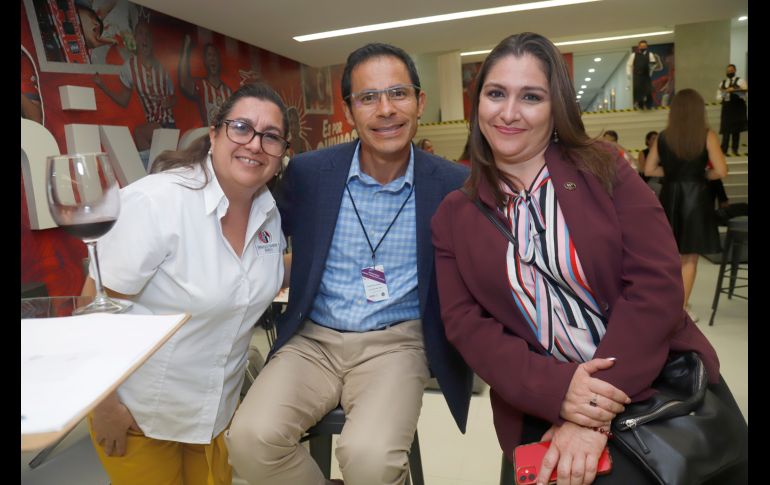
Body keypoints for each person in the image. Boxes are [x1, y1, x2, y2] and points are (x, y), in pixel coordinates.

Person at [432, 32, 747, 485]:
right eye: (495, 93)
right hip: (539, 401)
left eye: (531, 97)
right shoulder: (453, 215)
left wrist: (590, 413)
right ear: (476, 102)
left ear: (555, 106)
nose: (508, 112)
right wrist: (559, 392)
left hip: (652, 379)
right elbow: (466, 325)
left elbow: (656, 286)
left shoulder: (604, 168)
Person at [226, 42, 472, 485]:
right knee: (248, 441)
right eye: (368, 97)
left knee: (370, 459)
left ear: (420, 102)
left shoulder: (454, 185)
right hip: (312, 340)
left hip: (396, 345)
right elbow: (257, 230)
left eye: (398, 93)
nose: (385, 110)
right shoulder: (308, 172)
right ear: (350, 110)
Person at [83, 82, 290, 485]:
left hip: (213, 416)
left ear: (282, 153)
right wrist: (104, 407)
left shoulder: (268, 211)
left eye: (271, 136)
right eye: (241, 127)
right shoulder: (156, 203)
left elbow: (256, 276)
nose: (255, 144)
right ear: (214, 134)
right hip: (140, 417)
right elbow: (93, 308)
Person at [645, 88, 728, 323]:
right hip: (696, 198)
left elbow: (649, 170)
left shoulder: (663, 137)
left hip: (670, 196)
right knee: (689, 257)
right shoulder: (707, 135)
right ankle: (680, 309)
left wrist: (672, 174)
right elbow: (721, 171)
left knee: (669, 255)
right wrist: (700, 175)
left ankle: (669, 303)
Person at [94, 21, 176, 167]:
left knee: (139, 133)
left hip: (167, 124)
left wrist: (169, 102)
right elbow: (124, 100)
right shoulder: (129, 68)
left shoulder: (164, 66)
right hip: (153, 125)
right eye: (140, 34)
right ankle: (152, 171)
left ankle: (149, 173)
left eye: (147, 35)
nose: (144, 38)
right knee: (142, 136)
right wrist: (103, 87)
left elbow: (173, 96)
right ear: (135, 38)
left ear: (151, 40)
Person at [179, 35, 234, 126]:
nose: (212, 58)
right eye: (209, 55)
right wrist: (186, 49)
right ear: (205, 61)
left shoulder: (228, 91)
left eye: (214, 55)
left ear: (219, 60)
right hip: (208, 136)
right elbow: (184, 81)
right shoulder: (201, 85)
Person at [717, 63, 748, 156]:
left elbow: (745, 93)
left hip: (738, 108)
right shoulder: (722, 83)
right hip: (727, 108)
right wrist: (725, 92)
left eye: (731, 70)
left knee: (736, 130)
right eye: (728, 70)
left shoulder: (741, 81)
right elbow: (718, 97)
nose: (729, 72)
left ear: (735, 71)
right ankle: (724, 150)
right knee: (726, 129)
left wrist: (734, 90)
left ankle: (735, 150)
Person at [625, 40, 662, 110]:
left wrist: (651, 68)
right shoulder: (633, 55)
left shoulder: (650, 54)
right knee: (638, 91)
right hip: (637, 76)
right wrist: (628, 74)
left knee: (648, 90)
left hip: (646, 76)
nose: (643, 47)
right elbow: (629, 65)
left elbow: (653, 64)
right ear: (639, 47)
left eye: (644, 46)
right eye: (641, 46)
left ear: (646, 46)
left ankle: (649, 105)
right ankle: (640, 105)